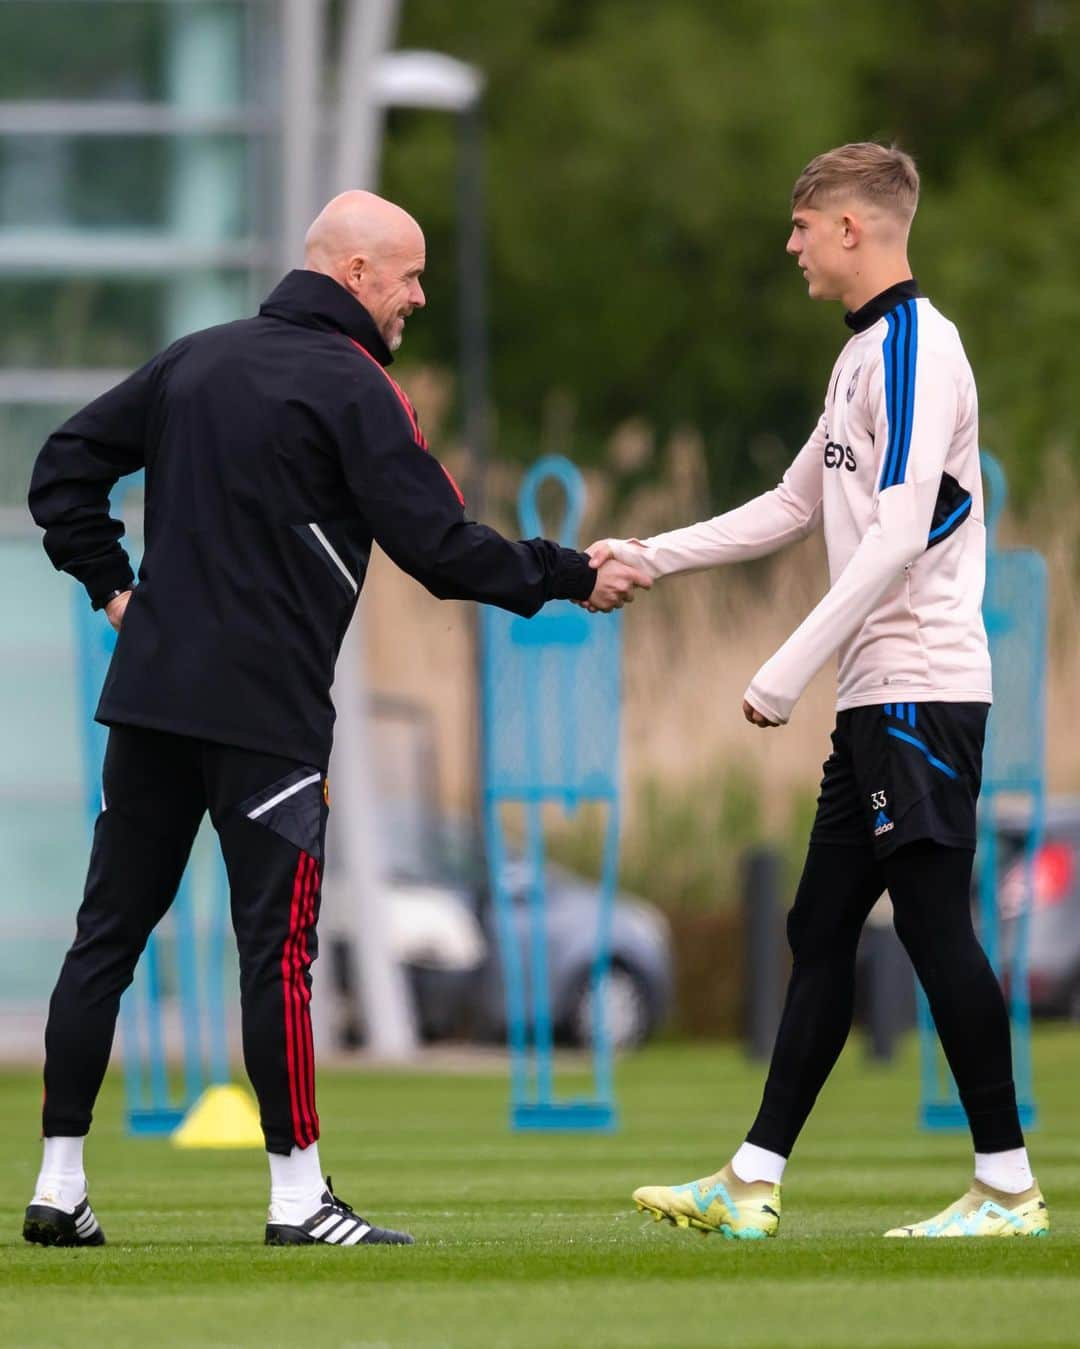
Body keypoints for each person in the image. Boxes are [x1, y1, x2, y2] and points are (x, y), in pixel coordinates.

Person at [24, 189, 650, 1250]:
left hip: (150, 703)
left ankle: (58, 1183)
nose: (414, 299)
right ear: (354, 274)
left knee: (106, 938)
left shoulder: (194, 360)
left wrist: (114, 589)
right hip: (267, 719)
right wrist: (571, 573)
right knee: (279, 953)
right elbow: (443, 550)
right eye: (406, 277)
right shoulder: (357, 391)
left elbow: (62, 470)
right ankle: (296, 1197)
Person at [591, 143, 1048, 1240]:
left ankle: (1007, 1187)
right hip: (876, 695)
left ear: (854, 228)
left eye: (803, 224)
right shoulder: (858, 362)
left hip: (918, 691)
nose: (790, 243)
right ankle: (751, 1180)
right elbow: (791, 505)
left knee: (938, 927)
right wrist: (650, 552)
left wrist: (781, 670)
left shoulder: (916, 348)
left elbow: (895, 534)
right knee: (820, 922)